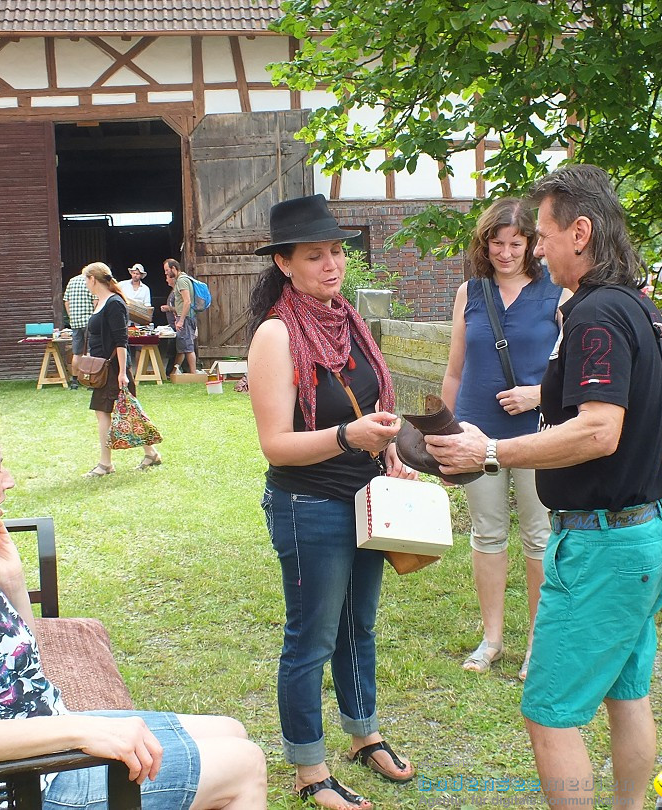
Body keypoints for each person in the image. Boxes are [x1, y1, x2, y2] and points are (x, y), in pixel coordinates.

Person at [0, 398, 266, 810]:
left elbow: (16, 667)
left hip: (22, 760)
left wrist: (11, 583)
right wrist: (77, 731)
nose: (10, 481)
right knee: (245, 765)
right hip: (13, 788)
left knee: (231, 730)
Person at [427, 165, 662, 810]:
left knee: (548, 714)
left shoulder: (595, 316)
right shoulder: (636, 307)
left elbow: (598, 432)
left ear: (581, 233)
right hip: (646, 533)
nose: (534, 249)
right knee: (628, 696)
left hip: (602, 547)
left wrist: (491, 449)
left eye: (541, 235)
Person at [247, 194, 416, 810]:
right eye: (314, 255)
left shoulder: (349, 321)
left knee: (358, 627)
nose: (331, 265)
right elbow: (276, 444)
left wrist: (387, 450)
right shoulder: (276, 335)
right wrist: (349, 436)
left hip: (364, 498)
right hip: (308, 506)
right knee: (312, 637)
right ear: (285, 264)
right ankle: (308, 768)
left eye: (337, 252)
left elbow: (367, 406)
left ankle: (363, 732)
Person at [441, 198, 566, 678]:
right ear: (484, 243)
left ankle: (537, 641)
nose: (506, 252)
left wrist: (538, 394)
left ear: (533, 244)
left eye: (516, 243)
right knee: (487, 533)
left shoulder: (556, 291)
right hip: (474, 430)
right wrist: (444, 434)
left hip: (538, 431)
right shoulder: (469, 292)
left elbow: (572, 367)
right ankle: (491, 638)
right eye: (497, 243)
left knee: (538, 536)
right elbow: (455, 369)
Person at [82, 262, 161, 477]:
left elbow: (121, 340)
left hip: (114, 368)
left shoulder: (114, 303)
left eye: (85, 280)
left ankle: (105, 464)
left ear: (93, 279)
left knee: (107, 413)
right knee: (126, 411)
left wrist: (122, 372)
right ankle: (151, 453)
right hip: (103, 368)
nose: (86, 284)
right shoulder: (100, 301)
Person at [162, 259, 197, 374]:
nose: (166, 273)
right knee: (182, 347)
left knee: (188, 348)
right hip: (184, 317)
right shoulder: (182, 279)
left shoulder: (182, 281)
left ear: (174, 268)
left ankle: (193, 374)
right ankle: (173, 372)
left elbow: (187, 301)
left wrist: (181, 320)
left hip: (185, 318)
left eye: (167, 270)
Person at [64, 271, 95, 390]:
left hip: (75, 322)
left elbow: (66, 301)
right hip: (89, 320)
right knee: (90, 352)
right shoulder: (91, 281)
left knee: (77, 353)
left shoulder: (72, 281)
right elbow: (95, 301)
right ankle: (89, 381)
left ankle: (74, 382)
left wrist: (71, 316)